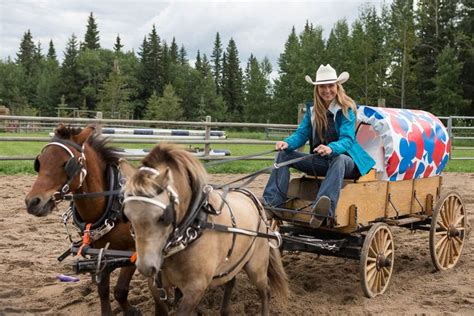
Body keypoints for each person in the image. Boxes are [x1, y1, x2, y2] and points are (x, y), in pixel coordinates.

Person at [262, 64, 375, 228]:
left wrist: (331, 148)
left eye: (331, 85)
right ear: (317, 89)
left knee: (339, 159)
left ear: (337, 86)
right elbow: (301, 134)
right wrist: (287, 143)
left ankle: (322, 211)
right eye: (322, 86)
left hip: (348, 163)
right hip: (323, 162)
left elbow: (347, 139)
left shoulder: (346, 109)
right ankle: (273, 204)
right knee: (283, 155)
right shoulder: (313, 111)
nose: (327, 90)